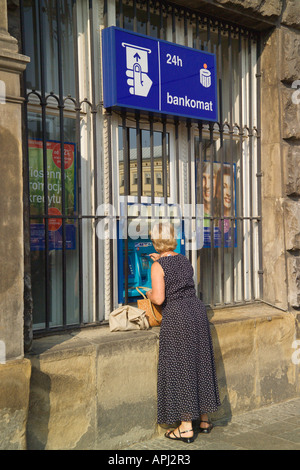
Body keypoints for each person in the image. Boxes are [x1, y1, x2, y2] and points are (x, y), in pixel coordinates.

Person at [146, 222, 221, 443]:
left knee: (182, 367)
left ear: (155, 241)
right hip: (196, 311)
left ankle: (186, 427)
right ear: (173, 239)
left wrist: (149, 293)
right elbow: (177, 275)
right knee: (201, 363)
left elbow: (159, 298)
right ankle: (205, 420)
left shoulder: (157, 267)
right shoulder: (183, 260)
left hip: (178, 315)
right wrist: (160, 260)